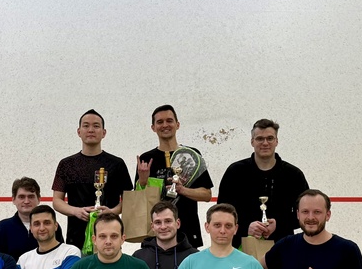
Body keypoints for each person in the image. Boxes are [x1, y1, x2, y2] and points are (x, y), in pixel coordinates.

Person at [216, 119, 309, 249]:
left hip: (283, 247)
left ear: (276, 141)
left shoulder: (293, 175)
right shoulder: (235, 172)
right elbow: (221, 211)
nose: (265, 143)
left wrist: (279, 224)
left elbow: (305, 213)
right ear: (252, 142)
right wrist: (245, 227)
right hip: (240, 247)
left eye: (270, 138)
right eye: (259, 139)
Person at [52, 109, 133, 250]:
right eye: (86, 126)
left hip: (109, 238)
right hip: (76, 238)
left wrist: (112, 212)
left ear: (104, 133)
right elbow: (57, 201)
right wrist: (76, 211)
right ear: (79, 132)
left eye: (96, 126)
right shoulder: (66, 164)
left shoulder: (117, 164)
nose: (91, 130)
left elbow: (128, 200)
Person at [135, 105, 213, 247]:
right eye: (160, 122)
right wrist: (143, 181)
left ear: (177, 125)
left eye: (169, 121)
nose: (165, 125)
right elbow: (138, 202)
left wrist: (183, 190)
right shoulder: (146, 159)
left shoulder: (191, 155)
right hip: (155, 235)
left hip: (187, 233)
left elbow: (207, 195)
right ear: (153, 127)